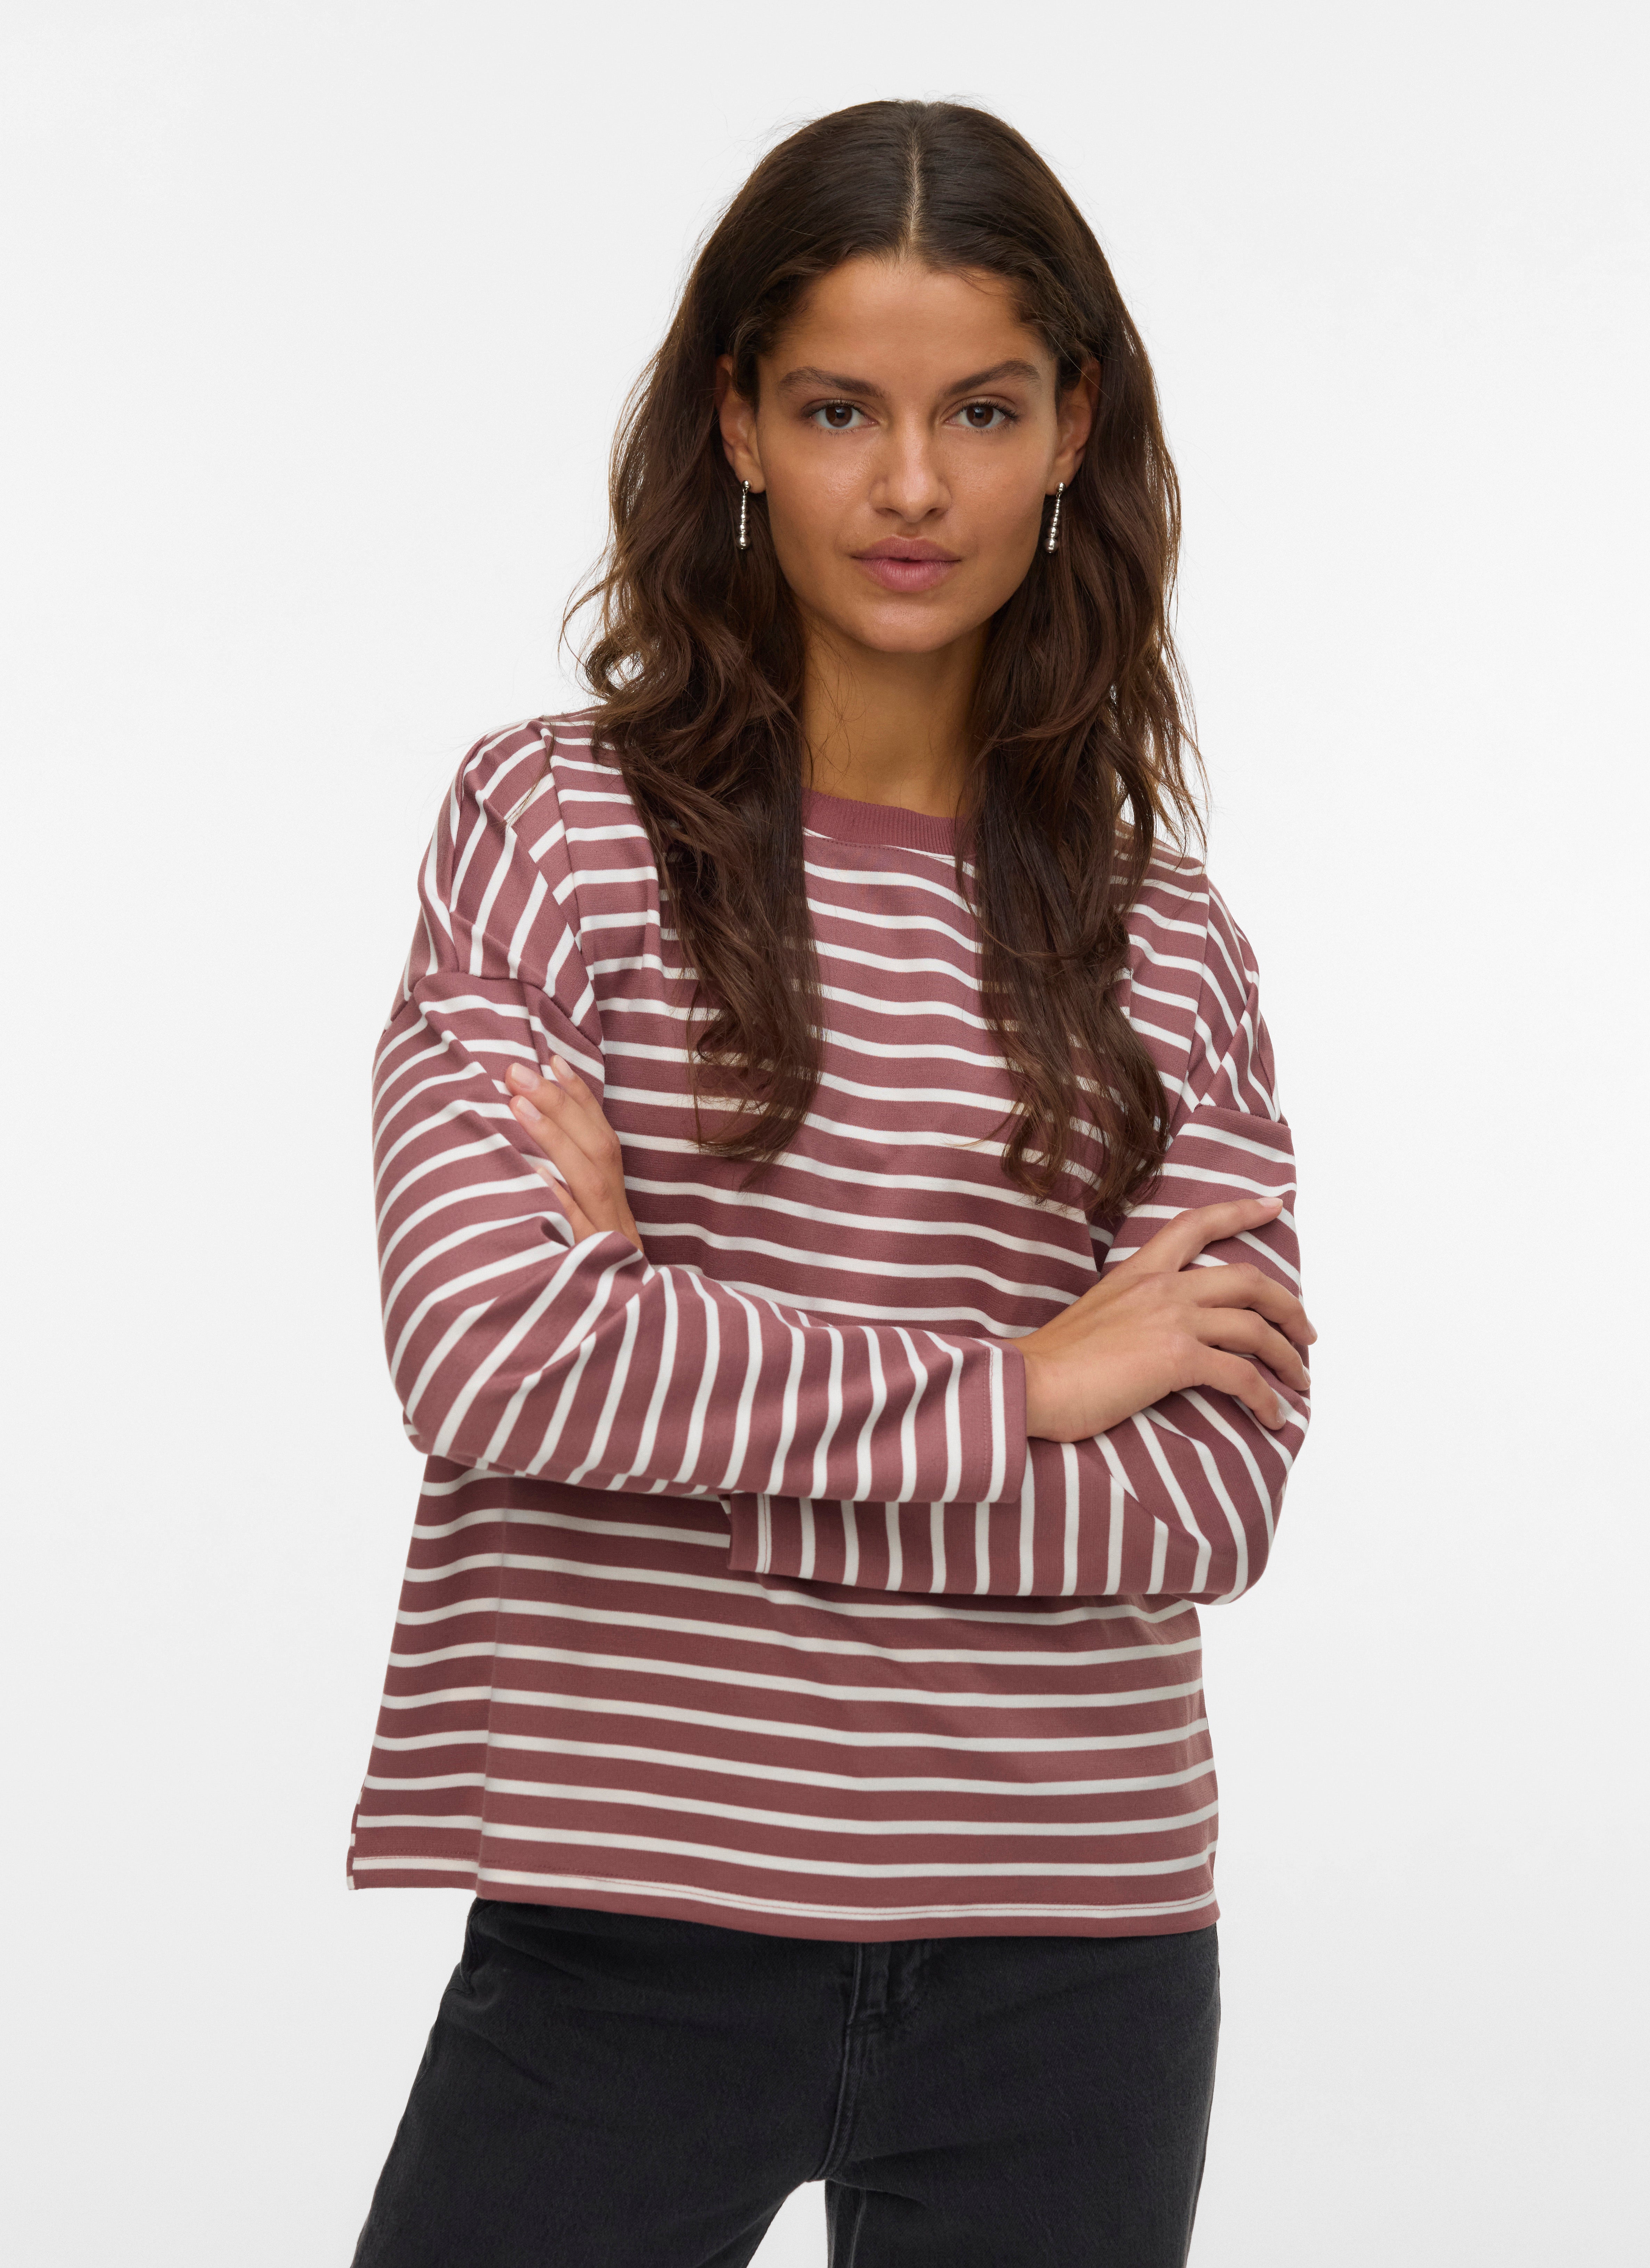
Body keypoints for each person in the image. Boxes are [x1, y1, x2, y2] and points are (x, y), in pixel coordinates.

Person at [349, 97, 1314, 2268]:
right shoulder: (552, 834)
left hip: (1075, 1944)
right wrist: (1029, 1383)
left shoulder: (1171, 944)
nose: (911, 489)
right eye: (838, 409)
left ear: (1072, 431)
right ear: (739, 424)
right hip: (632, 1921)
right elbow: (490, 1354)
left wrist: (672, 1383)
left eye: (980, 410)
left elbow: (1208, 1499)